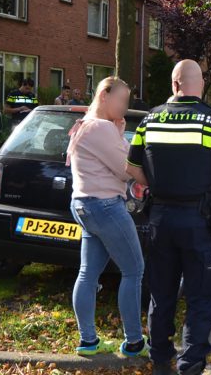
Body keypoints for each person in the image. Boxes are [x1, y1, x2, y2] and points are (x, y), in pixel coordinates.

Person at [126, 60, 211, 375]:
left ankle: (160, 359)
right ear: (198, 84)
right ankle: (190, 365)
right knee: (201, 295)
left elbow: (131, 168)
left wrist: (160, 186)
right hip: (199, 220)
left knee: (161, 291)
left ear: (174, 84)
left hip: (160, 218)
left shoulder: (149, 120)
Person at [66, 77, 148, 358]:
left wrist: (119, 132)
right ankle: (135, 342)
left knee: (88, 273)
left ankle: (88, 340)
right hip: (105, 206)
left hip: (83, 205)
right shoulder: (101, 128)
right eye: (122, 100)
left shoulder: (85, 125)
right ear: (104, 95)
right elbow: (127, 169)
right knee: (134, 270)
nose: (125, 107)